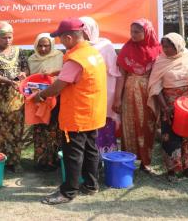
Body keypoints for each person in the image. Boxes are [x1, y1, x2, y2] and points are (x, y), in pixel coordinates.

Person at [35, 17, 107, 205]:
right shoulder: (92, 53)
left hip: (77, 114)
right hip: (93, 112)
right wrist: (57, 73)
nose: (59, 41)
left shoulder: (75, 59)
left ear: (68, 37)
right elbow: (76, 75)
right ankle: (91, 185)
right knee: (91, 149)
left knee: (73, 153)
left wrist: (41, 95)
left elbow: (57, 88)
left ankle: (68, 192)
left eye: (60, 38)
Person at [148, 32, 188, 183]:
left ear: (178, 46)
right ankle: (171, 171)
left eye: (169, 46)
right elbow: (155, 86)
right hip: (169, 106)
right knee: (170, 137)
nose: (166, 49)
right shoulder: (160, 61)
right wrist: (165, 107)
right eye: (163, 46)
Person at [113, 19, 161, 172]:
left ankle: (145, 163)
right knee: (130, 126)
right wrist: (117, 99)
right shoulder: (127, 49)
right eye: (131, 31)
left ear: (146, 32)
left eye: (137, 32)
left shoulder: (158, 50)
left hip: (150, 93)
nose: (133, 35)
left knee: (148, 126)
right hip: (130, 93)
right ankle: (128, 161)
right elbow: (121, 75)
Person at [0, 21, 29, 173]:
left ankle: (15, 161)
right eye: (4, 38)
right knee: (0, 130)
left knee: (17, 128)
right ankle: (1, 161)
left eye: (9, 37)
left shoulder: (19, 51)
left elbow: (25, 68)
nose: (7, 41)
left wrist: (23, 74)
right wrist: (9, 81)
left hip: (16, 98)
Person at [80, 16, 121, 155]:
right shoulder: (77, 46)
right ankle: (89, 160)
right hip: (85, 92)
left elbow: (114, 72)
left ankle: (106, 157)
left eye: (83, 30)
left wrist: (115, 97)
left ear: (90, 30)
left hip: (105, 90)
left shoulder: (105, 46)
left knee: (104, 122)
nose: (81, 33)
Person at [27, 33, 64, 171]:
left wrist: (52, 74)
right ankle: (42, 161)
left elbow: (64, 75)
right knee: (41, 129)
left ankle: (55, 160)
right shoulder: (32, 59)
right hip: (38, 100)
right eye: (40, 46)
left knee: (55, 129)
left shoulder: (60, 56)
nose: (43, 49)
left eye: (46, 45)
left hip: (56, 98)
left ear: (52, 45)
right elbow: (29, 80)